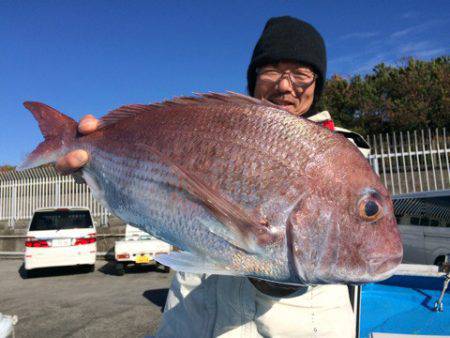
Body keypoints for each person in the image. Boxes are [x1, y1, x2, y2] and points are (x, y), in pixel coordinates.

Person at [56, 16, 370, 338]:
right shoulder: (217, 129)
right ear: (254, 77)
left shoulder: (344, 158)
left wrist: (273, 261)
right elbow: (157, 192)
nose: (285, 85)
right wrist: (102, 171)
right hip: (188, 324)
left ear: (316, 83)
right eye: (272, 70)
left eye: (301, 73)